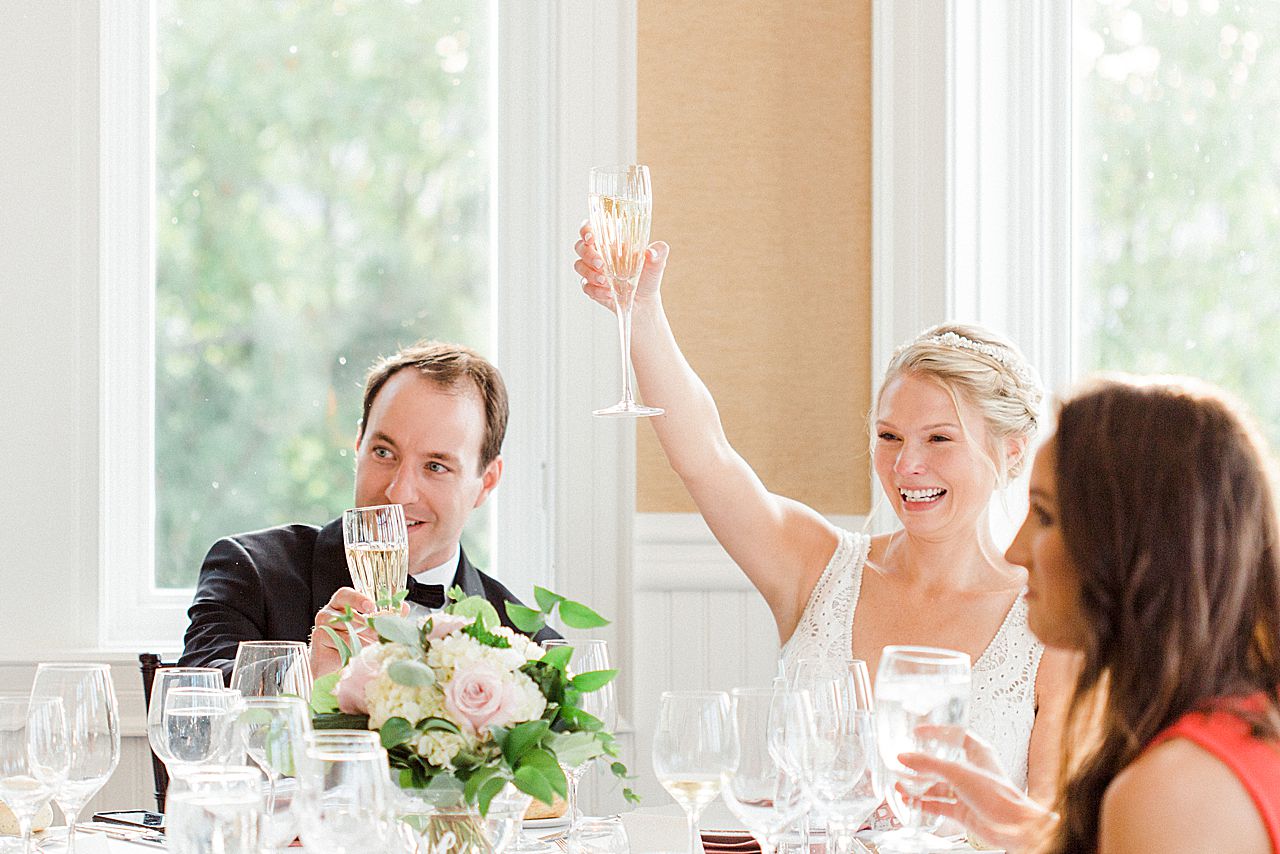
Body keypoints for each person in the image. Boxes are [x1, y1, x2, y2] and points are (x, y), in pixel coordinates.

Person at [573, 228, 1074, 805]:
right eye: (889, 436)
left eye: (939, 438)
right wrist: (641, 314)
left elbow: (1048, 828)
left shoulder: (1049, 620)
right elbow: (705, 457)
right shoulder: (817, 565)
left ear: (1012, 450)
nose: (907, 464)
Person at [899, 375, 1280, 853]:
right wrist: (1032, 832)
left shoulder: (1174, 791)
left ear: (1131, 545)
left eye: (1044, 515)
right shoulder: (1231, 731)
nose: (1016, 550)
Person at [179, 340, 558, 681]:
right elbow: (197, 699)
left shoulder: (530, 648)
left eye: (436, 466)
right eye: (384, 453)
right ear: (358, 444)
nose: (398, 492)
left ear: (487, 481)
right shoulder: (253, 571)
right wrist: (305, 675)